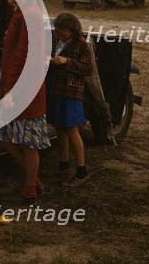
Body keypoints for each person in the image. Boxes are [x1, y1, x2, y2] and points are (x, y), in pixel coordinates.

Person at [0, 0, 50, 202]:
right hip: (16, 82)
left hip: (23, 86)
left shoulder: (31, 15)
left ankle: (30, 188)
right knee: (6, 136)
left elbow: (23, 56)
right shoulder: (23, 11)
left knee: (28, 142)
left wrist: (10, 91)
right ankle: (34, 180)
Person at [50, 12, 93, 187]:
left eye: (63, 31)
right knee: (59, 127)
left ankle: (82, 171)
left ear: (72, 29)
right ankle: (64, 163)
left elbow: (87, 69)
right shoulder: (58, 41)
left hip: (71, 92)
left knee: (71, 129)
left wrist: (66, 62)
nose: (60, 34)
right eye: (58, 31)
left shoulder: (82, 45)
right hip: (57, 89)